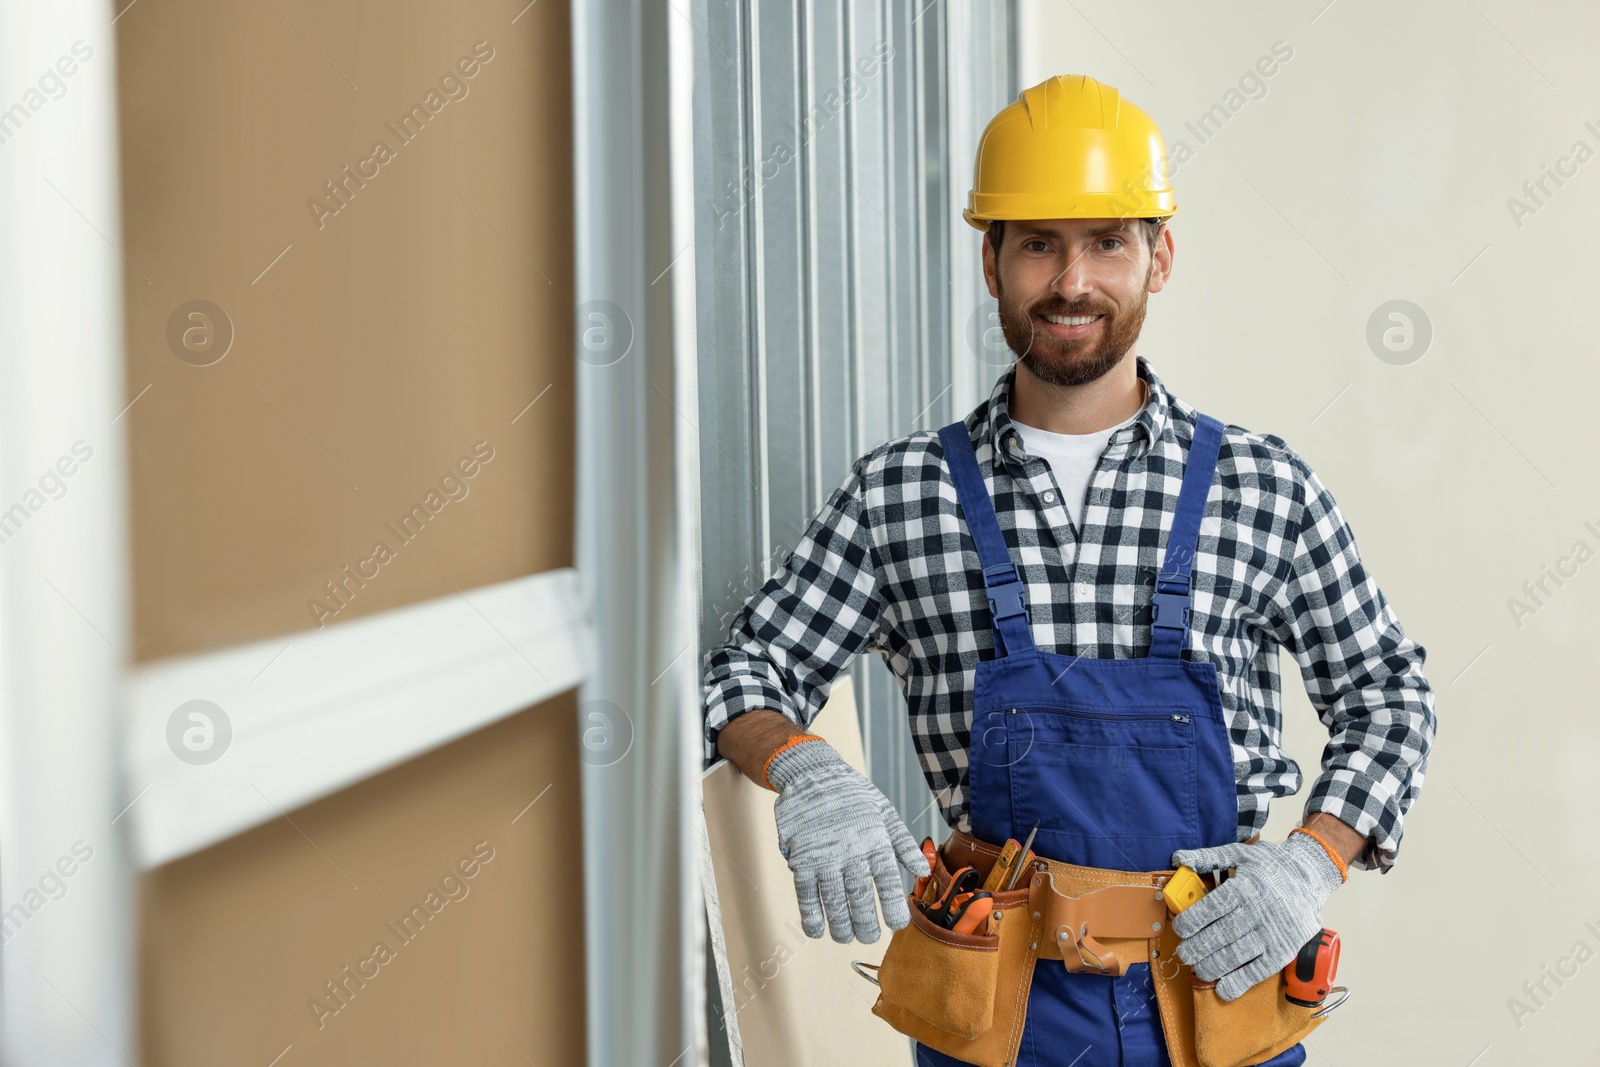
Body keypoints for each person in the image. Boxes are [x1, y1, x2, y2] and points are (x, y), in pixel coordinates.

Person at [702, 74, 1435, 1066]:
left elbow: (1388, 693)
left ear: (1158, 257)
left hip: (1218, 986)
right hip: (998, 1008)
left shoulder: (1263, 486)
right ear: (990, 261)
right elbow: (743, 673)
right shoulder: (901, 494)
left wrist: (1310, 860)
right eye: (1037, 242)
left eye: (1106, 242)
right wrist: (806, 769)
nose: (1071, 280)